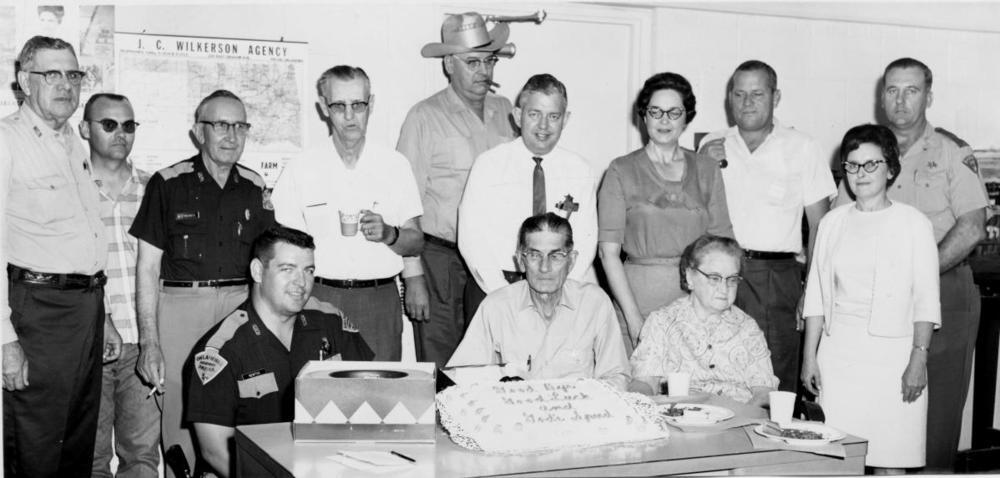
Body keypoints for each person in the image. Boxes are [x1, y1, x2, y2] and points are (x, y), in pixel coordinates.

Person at [832, 58, 987, 471]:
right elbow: (837, 228)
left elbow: (972, 227)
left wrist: (916, 277)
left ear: (929, 96)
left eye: (911, 90)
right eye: (892, 90)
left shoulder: (952, 151)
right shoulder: (863, 151)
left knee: (933, 413)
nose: (900, 100)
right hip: (872, 301)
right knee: (875, 410)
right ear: (881, 96)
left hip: (943, 288)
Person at [130, 89, 276, 476]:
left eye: (240, 126)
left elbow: (269, 263)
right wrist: (150, 342)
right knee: (180, 409)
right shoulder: (168, 183)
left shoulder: (255, 186)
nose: (231, 135)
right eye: (221, 125)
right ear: (199, 132)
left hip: (240, 308)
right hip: (181, 308)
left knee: (245, 402)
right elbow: (147, 267)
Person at [2, 35, 118, 476]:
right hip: (37, 311)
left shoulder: (71, 142)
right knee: (36, 443)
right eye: (51, 74)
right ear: (23, 80)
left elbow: (84, 240)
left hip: (84, 308)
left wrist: (103, 316)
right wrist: (4, 340)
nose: (66, 84)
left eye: (73, 74)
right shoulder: (6, 141)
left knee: (77, 440)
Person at [804, 124, 940, 471]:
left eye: (871, 164)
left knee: (890, 461)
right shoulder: (832, 223)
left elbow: (926, 299)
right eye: (852, 165)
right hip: (839, 356)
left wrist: (918, 360)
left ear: (890, 168)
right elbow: (817, 297)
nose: (860, 174)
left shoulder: (914, 224)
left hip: (894, 358)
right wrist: (810, 358)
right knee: (838, 460)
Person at [186, 226, 374, 477]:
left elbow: (370, 400)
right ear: (257, 272)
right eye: (287, 269)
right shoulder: (221, 350)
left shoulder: (330, 323)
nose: (301, 283)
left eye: (308, 271)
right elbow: (215, 451)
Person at [699, 60, 835, 392]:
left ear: (776, 97)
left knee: (774, 374)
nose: (747, 103)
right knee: (717, 368)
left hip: (776, 276)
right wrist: (704, 165)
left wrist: (811, 291)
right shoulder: (711, 145)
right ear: (729, 98)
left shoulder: (802, 146)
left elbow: (820, 225)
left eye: (757, 94)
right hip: (718, 273)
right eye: (740, 94)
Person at [272, 65, 423, 361]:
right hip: (317, 299)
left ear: (372, 104)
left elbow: (416, 241)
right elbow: (281, 250)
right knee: (316, 400)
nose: (350, 116)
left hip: (379, 301)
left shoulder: (395, 165)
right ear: (323, 108)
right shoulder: (301, 168)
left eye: (358, 105)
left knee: (381, 398)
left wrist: (389, 234)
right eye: (339, 106)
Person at [397, 11, 516, 368]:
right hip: (440, 261)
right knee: (443, 364)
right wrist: (412, 275)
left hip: (496, 260)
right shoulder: (424, 116)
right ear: (449, 64)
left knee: (493, 361)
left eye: (489, 60)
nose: (484, 71)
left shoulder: (507, 111)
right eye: (472, 62)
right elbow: (404, 202)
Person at [599, 72, 732, 354]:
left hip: (697, 301)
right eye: (655, 111)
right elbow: (608, 254)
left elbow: (724, 249)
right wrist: (633, 320)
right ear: (643, 116)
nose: (664, 120)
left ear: (687, 117)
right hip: (637, 298)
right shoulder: (620, 170)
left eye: (674, 112)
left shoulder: (707, 170)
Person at [459, 73, 598, 314]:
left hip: (558, 289)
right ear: (517, 116)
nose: (543, 126)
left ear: (565, 119)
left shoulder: (580, 169)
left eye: (553, 116)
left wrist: (558, 291)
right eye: (534, 114)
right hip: (495, 289)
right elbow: (472, 239)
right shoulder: (489, 165)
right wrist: (503, 295)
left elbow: (586, 242)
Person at [448, 213, 630, 391]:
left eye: (556, 256)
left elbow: (616, 376)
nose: (545, 267)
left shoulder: (594, 303)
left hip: (579, 415)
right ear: (520, 260)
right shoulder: (497, 306)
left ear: (571, 260)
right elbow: (461, 379)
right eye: (535, 255)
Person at [81, 93, 161, 477]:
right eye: (108, 124)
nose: (121, 134)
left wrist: (155, 342)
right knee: (90, 457)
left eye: (129, 126)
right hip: (88, 342)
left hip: (144, 345)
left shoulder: (154, 189)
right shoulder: (70, 187)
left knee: (142, 456)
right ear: (85, 129)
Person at [631, 235, 777, 406]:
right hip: (679, 419)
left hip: (736, 422)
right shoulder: (662, 322)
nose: (724, 288)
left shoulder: (747, 328)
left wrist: (742, 417)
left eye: (732, 279)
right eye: (714, 278)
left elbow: (764, 392)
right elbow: (645, 383)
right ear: (690, 277)